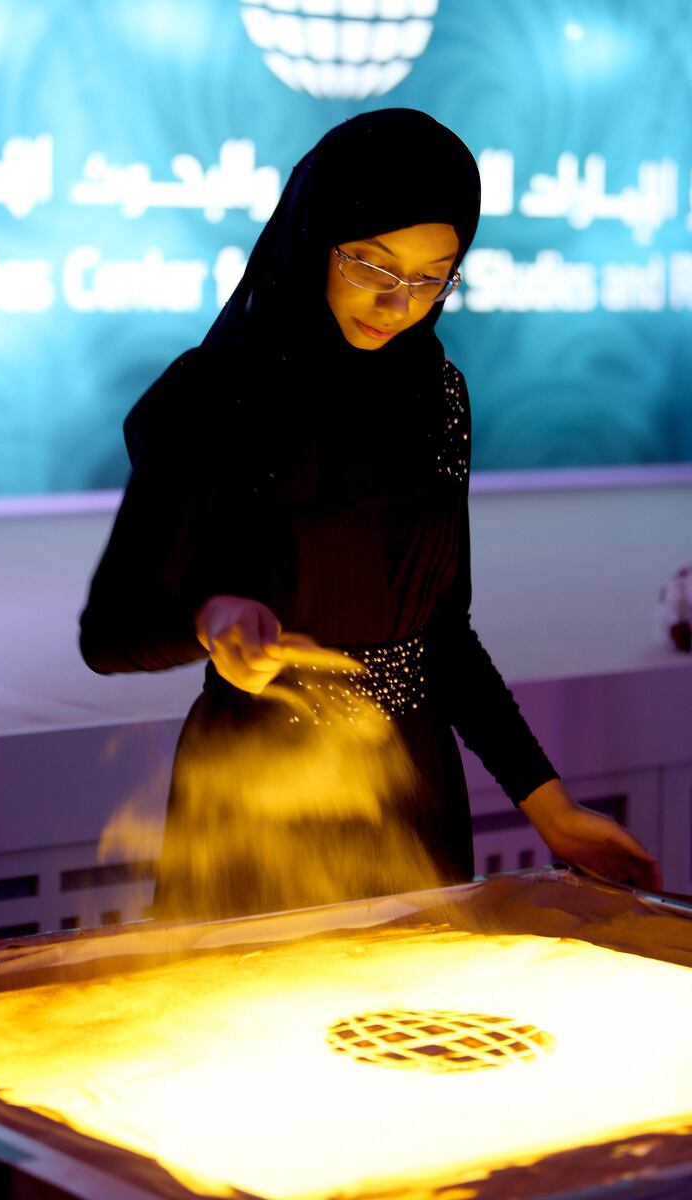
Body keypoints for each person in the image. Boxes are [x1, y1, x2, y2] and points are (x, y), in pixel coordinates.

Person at [79, 108, 661, 920]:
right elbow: (111, 633)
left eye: (433, 276)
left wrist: (548, 806)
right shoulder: (217, 394)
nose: (399, 303)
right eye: (373, 265)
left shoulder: (437, 397)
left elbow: (443, 634)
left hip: (410, 788)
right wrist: (210, 615)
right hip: (256, 792)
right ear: (316, 236)